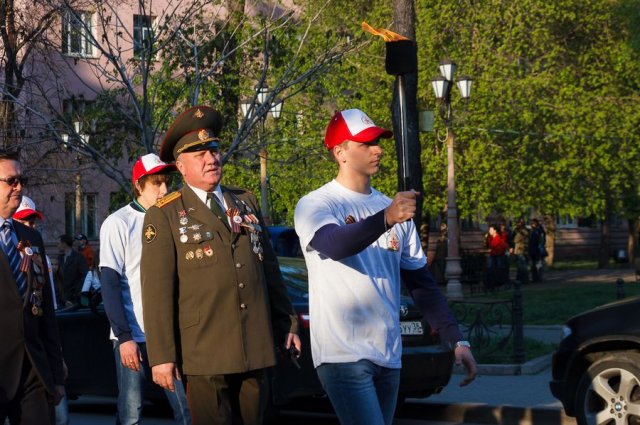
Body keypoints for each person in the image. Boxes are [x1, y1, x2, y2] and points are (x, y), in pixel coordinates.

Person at [294, 109, 477, 425]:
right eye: (365, 143)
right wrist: (386, 219)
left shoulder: (391, 207)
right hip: (344, 356)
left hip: (388, 355)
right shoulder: (317, 204)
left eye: (378, 142)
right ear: (340, 152)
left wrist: (456, 339)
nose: (377, 149)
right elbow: (336, 245)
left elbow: (421, 283)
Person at [140, 106, 301, 425]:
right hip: (204, 351)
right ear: (182, 166)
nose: (210, 158)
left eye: (213, 149)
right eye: (199, 154)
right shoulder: (166, 214)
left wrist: (288, 323)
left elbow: (268, 269)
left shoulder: (245, 201)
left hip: (254, 344)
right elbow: (157, 292)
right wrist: (161, 357)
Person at [100, 153, 190, 425]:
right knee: (131, 411)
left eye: (167, 183)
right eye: (156, 184)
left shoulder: (176, 218)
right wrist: (123, 336)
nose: (164, 190)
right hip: (134, 334)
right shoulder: (119, 223)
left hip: (169, 333)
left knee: (186, 408)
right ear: (139, 185)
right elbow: (110, 282)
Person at [0, 150, 65, 424]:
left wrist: (56, 373)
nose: (19, 187)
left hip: (32, 369)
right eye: (11, 181)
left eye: (21, 180)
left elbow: (45, 310)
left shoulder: (30, 237)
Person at [12, 195, 70, 425]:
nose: (30, 227)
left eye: (33, 222)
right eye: (24, 222)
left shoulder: (38, 254)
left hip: (37, 355)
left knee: (58, 417)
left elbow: (48, 311)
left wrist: (58, 360)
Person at [58, 234, 88, 307]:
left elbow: (85, 276)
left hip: (74, 298)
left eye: (58, 243)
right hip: (62, 299)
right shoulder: (60, 258)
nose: (57, 246)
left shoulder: (79, 257)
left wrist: (77, 292)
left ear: (64, 244)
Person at [484, 224, 509, 290]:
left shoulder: (498, 238)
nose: (489, 231)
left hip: (498, 256)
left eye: (491, 229)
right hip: (494, 255)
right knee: (491, 269)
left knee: (497, 269)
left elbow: (499, 246)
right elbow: (488, 245)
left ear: (495, 231)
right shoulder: (491, 238)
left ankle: (499, 283)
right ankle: (493, 283)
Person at [511, 218, 530, 284]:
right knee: (520, 266)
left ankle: (523, 280)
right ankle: (520, 279)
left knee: (522, 266)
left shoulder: (523, 231)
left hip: (521, 250)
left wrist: (517, 232)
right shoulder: (521, 230)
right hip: (519, 250)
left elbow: (515, 240)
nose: (517, 225)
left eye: (518, 223)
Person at [529, 218, 547, 282]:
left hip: (538, 250)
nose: (531, 225)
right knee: (533, 265)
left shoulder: (539, 231)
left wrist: (539, 247)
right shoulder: (532, 231)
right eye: (531, 223)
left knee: (538, 264)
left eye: (533, 223)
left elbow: (542, 241)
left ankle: (539, 278)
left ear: (536, 223)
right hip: (532, 250)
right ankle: (534, 278)